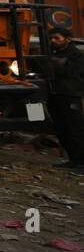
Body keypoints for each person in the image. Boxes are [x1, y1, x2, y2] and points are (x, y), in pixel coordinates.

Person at [46, 25, 84, 169]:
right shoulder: (51, 53)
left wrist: (54, 63)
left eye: (57, 38)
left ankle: (81, 161)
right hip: (55, 95)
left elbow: (71, 72)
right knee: (62, 129)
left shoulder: (76, 56)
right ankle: (74, 159)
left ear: (68, 39)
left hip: (70, 96)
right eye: (51, 38)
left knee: (75, 128)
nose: (53, 41)